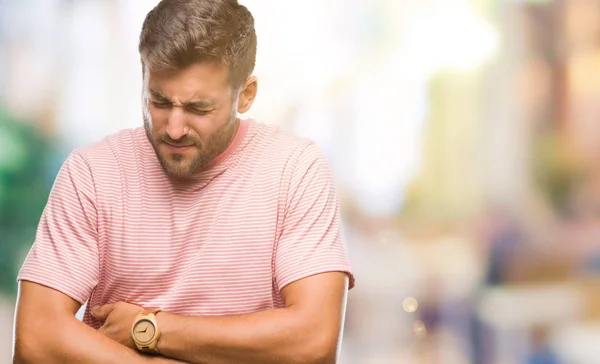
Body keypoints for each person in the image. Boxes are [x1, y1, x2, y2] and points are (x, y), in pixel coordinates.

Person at [12, 1, 354, 363]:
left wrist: (149, 328)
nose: (174, 129)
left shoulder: (295, 170)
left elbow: (314, 342)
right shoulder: (92, 173)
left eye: (198, 108)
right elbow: (36, 339)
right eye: (159, 101)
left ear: (247, 95)